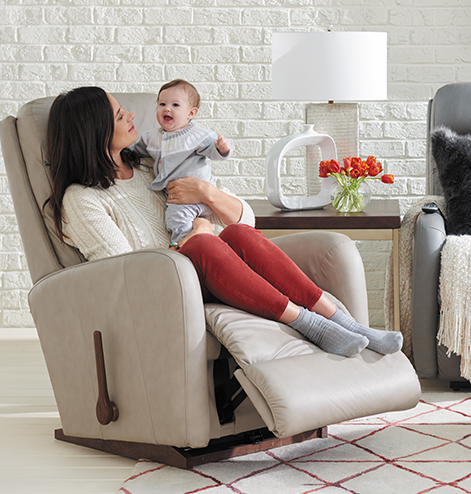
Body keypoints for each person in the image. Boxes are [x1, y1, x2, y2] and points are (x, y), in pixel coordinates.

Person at [44, 86, 402, 357]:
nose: (133, 117)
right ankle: (309, 324)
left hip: (204, 266)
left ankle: (344, 322)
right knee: (204, 240)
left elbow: (246, 220)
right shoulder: (83, 199)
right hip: (160, 290)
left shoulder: (150, 167)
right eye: (121, 115)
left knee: (235, 234)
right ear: (93, 131)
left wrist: (206, 193)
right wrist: (194, 237)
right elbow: (122, 273)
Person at [133, 79, 227, 246]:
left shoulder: (197, 136)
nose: (167, 108)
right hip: (178, 195)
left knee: (176, 216)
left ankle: (182, 244)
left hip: (197, 196)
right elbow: (135, 151)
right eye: (162, 104)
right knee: (176, 214)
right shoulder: (151, 137)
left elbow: (213, 152)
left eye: (175, 105)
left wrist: (222, 149)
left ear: (190, 113)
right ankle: (199, 238)